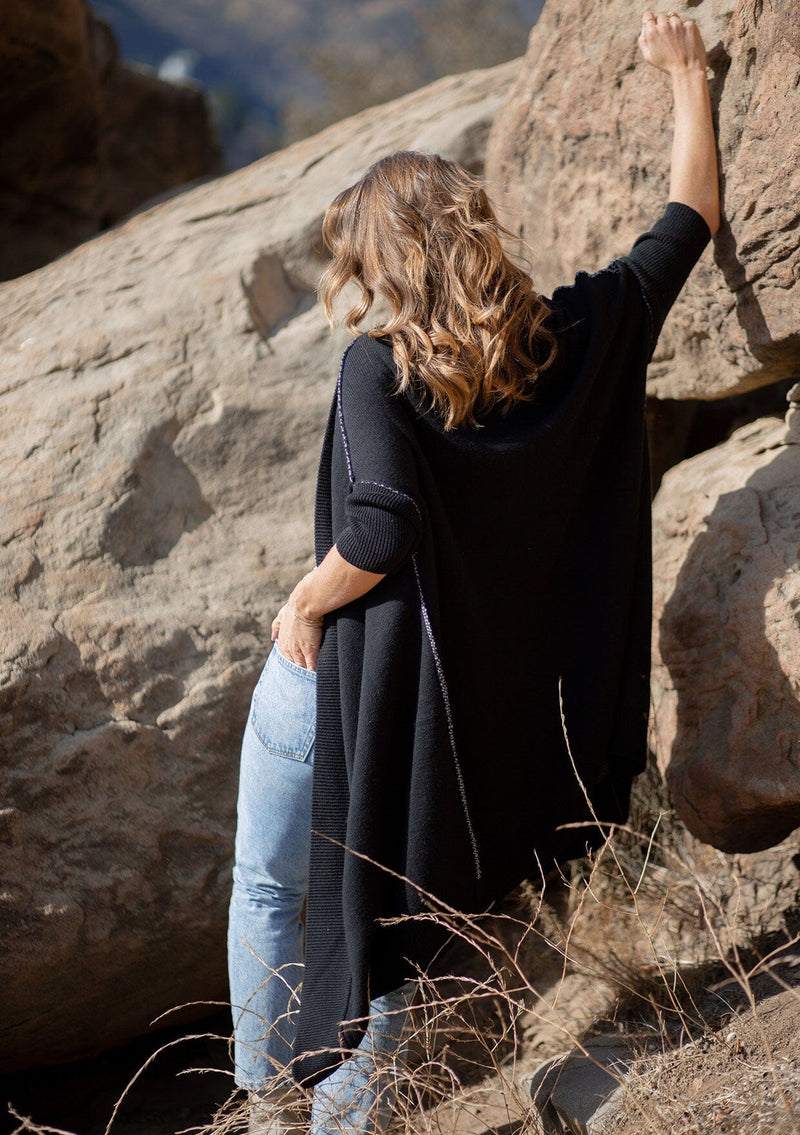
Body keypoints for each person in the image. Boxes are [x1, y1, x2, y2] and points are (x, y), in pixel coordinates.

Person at [227, 11, 720, 1134]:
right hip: (444, 738)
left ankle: (260, 1100)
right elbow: (687, 219)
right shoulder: (579, 336)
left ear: (383, 264)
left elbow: (382, 521)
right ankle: (334, 1122)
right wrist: (687, 79)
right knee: (387, 933)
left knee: (271, 885)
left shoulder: (377, 370)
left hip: (343, 683)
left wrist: (301, 602)